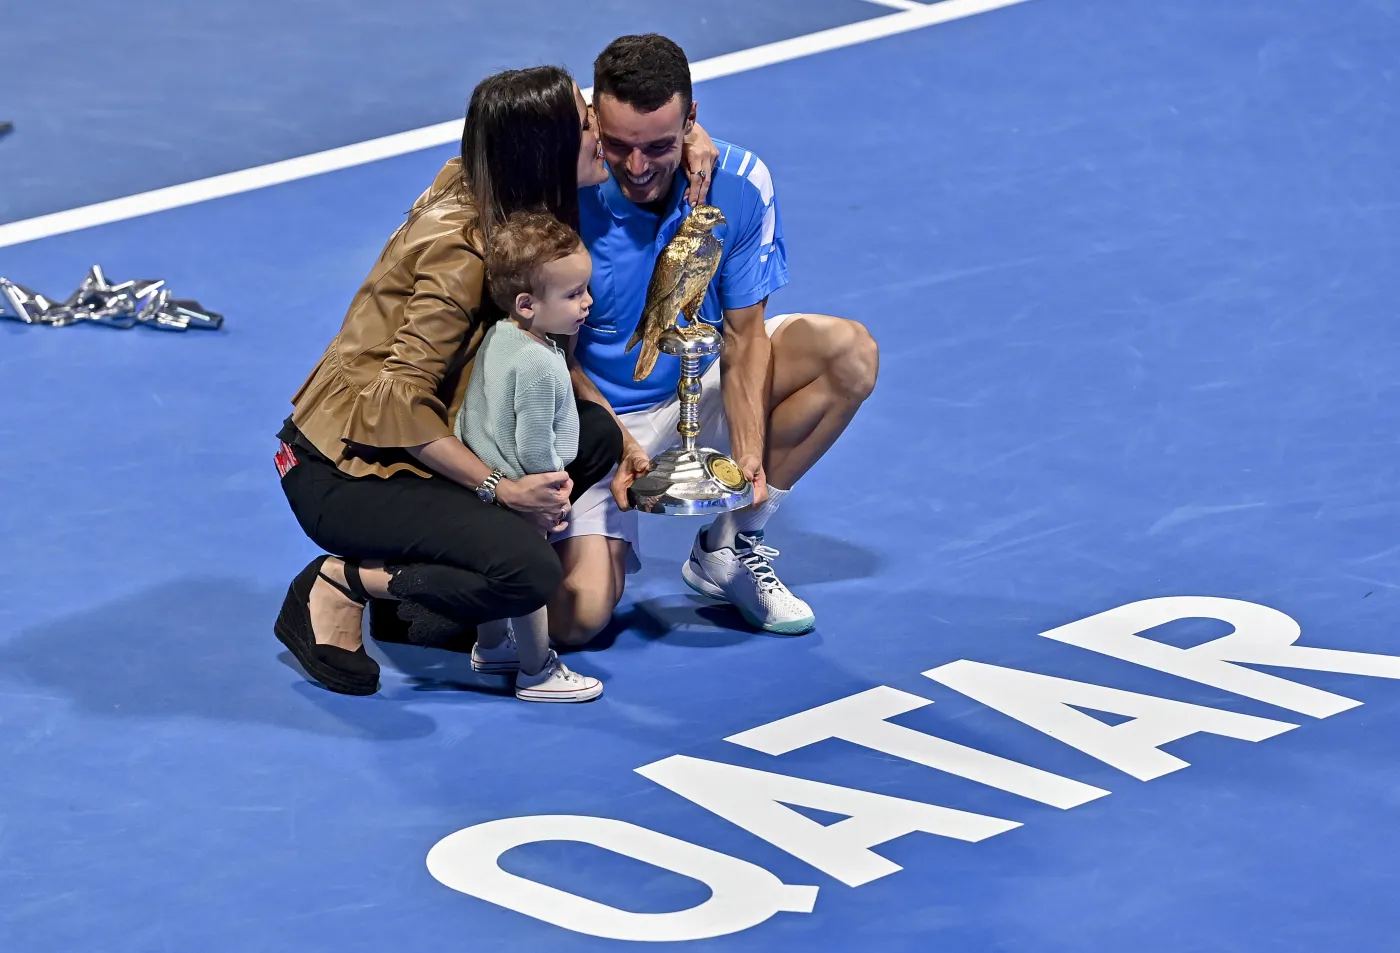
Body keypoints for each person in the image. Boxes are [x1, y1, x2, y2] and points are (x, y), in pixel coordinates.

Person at [272, 66, 651, 696]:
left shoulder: (498, 193)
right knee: (528, 574)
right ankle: (343, 579)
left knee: (593, 437)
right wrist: (502, 493)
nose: (603, 135)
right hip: (345, 469)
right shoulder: (465, 251)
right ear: (545, 151)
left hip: (403, 448)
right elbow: (398, 404)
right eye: (588, 124)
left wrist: (696, 142)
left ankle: (446, 581)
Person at [551, 34, 880, 644]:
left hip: (692, 386)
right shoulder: (562, 187)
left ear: (692, 121)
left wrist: (750, 451)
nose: (639, 166)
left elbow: (744, 332)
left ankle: (729, 545)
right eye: (619, 146)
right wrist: (614, 439)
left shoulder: (740, 178)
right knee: (578, 621)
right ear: (593, 121)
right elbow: (552, 355)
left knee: (849, 355)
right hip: (591, 415)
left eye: (659, 146)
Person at [455, 211, 603, 703]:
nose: (587, 303)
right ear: (527, 304)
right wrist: (550, 491)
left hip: (486, 478)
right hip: (525, 490)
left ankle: (492, 645)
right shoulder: (541, 364)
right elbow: (535, 441)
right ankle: (537, 670)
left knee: (498, 573)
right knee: (528, 581)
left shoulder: (502, 335)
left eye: (584, 289)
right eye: (573, 295)